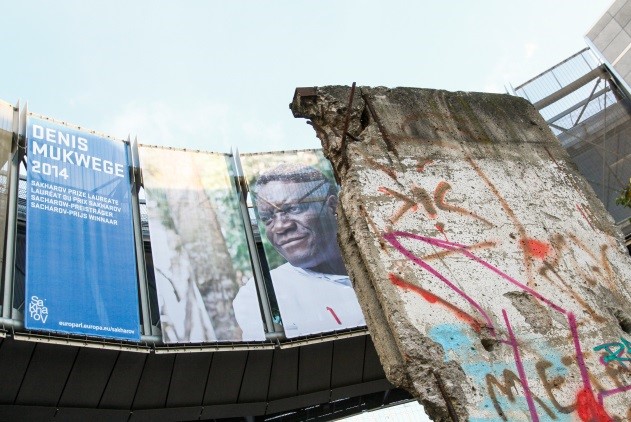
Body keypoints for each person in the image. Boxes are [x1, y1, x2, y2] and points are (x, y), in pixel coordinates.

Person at [233, 163, 366, 340]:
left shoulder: (383, 261)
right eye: (267, 218)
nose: (280, 226)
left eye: (294, 209)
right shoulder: (263, 295)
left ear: (333, 206)